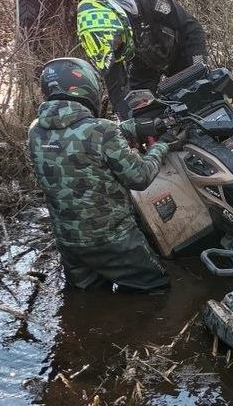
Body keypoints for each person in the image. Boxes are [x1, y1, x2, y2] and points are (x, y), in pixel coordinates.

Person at [28, 57, 186, 292]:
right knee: (158, 290)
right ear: (85, 86)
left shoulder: (35, 131)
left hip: (69, 244)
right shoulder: (103, 130)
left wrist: (132, 127)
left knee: (90, 299)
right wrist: (162, 145)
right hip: (114, 241)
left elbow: (78, 136)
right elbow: (140, 177)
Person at [76, 0, 208, 118]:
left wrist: (198, 66)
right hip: (143, 64)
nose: (116, 48)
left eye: (117, 43)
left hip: (179, 48)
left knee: (197, 93)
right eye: (113, 48)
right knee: (141, 110)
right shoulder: (107, 46)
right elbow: (116, 91)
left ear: (120, 26)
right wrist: (130, 121)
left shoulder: (146, 0)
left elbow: (191, 27)